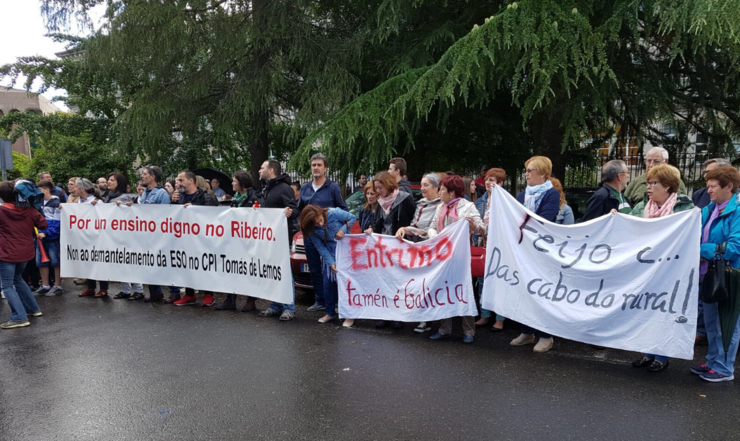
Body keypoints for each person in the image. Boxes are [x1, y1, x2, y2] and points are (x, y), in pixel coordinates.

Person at [629, 164, 694, 373]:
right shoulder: (642, 207)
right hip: (647, 270)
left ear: (667, 186)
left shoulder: (685, 208)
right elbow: (629, 227)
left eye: (653, 183)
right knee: (647, 311)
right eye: (648, 183)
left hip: (672, 269)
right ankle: (648, 351)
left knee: (665, 311)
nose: (648, 187)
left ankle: (662, 355)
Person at [418, 175, 485, 344]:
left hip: (461, 258)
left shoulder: (467, 206)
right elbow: (432, 227)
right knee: (443, 292)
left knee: (464, 292)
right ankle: (444, 329)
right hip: (442, 257)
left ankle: (468, 331)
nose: (440, 192)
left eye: (442, 189)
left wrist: (474, 226)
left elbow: (482, 228)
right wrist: (438, 237)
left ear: (452, 192)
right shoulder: (440, 208)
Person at [693, 166, 740, 382]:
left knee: (726, 324)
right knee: (712, 323)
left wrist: (702, 250)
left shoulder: (737, 210)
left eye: (712, 186)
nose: (708, 191)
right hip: (711, 274)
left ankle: (724, 368)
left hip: (730, 277)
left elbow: (733, 247)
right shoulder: (710, 209)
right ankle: (712, 362)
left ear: (729, 186)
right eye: (707, 186)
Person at [510, 156, 561, 353]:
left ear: (543, 173)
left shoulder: (551, 194)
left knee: (540, 292)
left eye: (530, 170)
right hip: (523, 249)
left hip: (541, 251)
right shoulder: (522, 195)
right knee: (523, 292)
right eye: (526, 170)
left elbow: (545, 219)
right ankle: (527, 332)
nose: (526, 174)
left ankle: (545, 336)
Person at [363, 171, 416, 329]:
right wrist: (372, 230)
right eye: (376, 188)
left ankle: (397, 315)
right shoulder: (380, 202)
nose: (378, 191)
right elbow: (377, 223)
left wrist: (405, 231)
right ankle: (384, 314)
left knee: (397, 282)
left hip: (400, 247)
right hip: (383, 249)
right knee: (384, 281)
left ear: (388, 185)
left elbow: (413, 221)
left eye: (380, 188)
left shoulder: (405, 198)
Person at [298, 153, 347, 312]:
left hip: (329, 238)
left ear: (325, 168)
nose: (316, 168)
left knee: (332, 270)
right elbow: (300, 211)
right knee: (314, 269)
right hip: (310, 236)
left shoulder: (332, 187)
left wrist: (342, 229)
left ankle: (336, 302)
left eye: (319, 165)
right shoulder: (305, 187)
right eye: (314, 165)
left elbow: (344, 211)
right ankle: (319, 300)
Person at [396, 172, 443, 333]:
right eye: (421, 185)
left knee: (430, 284)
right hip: (418, 248)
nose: (422, 188)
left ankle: (429, 319)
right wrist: (404, 229)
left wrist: (414, 230)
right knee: (420, 283)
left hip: (433, 249)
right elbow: (415, 224)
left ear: (436, 187)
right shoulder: (421, 203)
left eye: (426, 185)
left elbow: (430, 228)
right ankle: (422, 316)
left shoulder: (441, 205)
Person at [255, 160, 300, 321]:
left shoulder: (284, 188)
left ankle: (289, 307)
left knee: (285, 273)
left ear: (271, 170)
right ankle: (275, 305)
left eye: (262, 168)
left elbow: (294, 209)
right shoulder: (267, 188)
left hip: (281, 239)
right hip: (269, 238)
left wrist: (289, 212)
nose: (259, 170)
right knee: (273, 272)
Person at [0, 181, 48, 329]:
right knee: (18, 279)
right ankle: (33, 309)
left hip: (6, 252)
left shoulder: (1, 211)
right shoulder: (28, 209)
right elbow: (43, 225)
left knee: (7, 285)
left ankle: (19, 317)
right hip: (26, 252)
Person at [300, 204, 356, 325]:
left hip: (345, 251)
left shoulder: (333, 213)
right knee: (327, 284)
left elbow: (352, 217)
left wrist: (343, 229)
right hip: (329, 254)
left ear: (321, 213)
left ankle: (348, 315)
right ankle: (330, 312)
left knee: (345, 285)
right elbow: (319, 246)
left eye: (320, 220)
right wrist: (331, 262)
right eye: (316, 224)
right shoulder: (311, 229)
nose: (319, 224)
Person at [215, 171, 260, 311]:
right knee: (232, 267)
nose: (232, 183)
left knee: (249, 269)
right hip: (235, 239)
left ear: (242, 182)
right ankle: (230, 298)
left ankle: (251, 300)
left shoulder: (254, 196)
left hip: (248, 239)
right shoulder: (236, 197)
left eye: (234, 181)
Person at [172, 170, 218, 306]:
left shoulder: (205, 196)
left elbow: (213, 213)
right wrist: (173, 202)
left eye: (181, 180)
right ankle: (189, 294)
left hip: (203, 239)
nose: (178, 183)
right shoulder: (179, 196)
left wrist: (196, 209)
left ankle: (209, 294)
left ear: (191, 181)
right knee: (186, 265)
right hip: (185, 239)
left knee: (205, 265)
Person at [473, 168, 507, 331]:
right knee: (482, 280)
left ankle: (500, 318)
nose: (488, 182)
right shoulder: (481, 200)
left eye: (492, 180)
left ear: (500, 183)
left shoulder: (506, 202)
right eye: (487, 179)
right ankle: (484, 314)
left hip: (499, 246)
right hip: (482, 243)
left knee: (499, 281)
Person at [136, 166, 171, 302]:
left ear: (152, 177)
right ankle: (155, 292)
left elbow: (165, 214)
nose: (142, 176)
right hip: (146, 235)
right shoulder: (145, 192)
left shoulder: (161, 193)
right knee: (149, 263)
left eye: (144, 174)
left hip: (157, 234)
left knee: (162, 264)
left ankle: (173, 291)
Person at [75, 178, 111, 298]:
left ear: (82, 189)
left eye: (76, 187)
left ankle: (103, 288)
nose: (74, 189)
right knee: (87, 262)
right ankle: (91, 287)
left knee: (99, 263)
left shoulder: (97, 202)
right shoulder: (78, 202)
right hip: (84, 238)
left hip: (96, 238)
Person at [32, 181, 63, 297]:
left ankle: (58, 285)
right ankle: (45, 285)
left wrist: (47, 233)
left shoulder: (56, 203)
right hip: (39, 237)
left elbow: (58, 223)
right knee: (41, 262)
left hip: (52, 238)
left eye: (39, 190)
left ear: (46, 190)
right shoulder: (36, 203)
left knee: (56, 262)